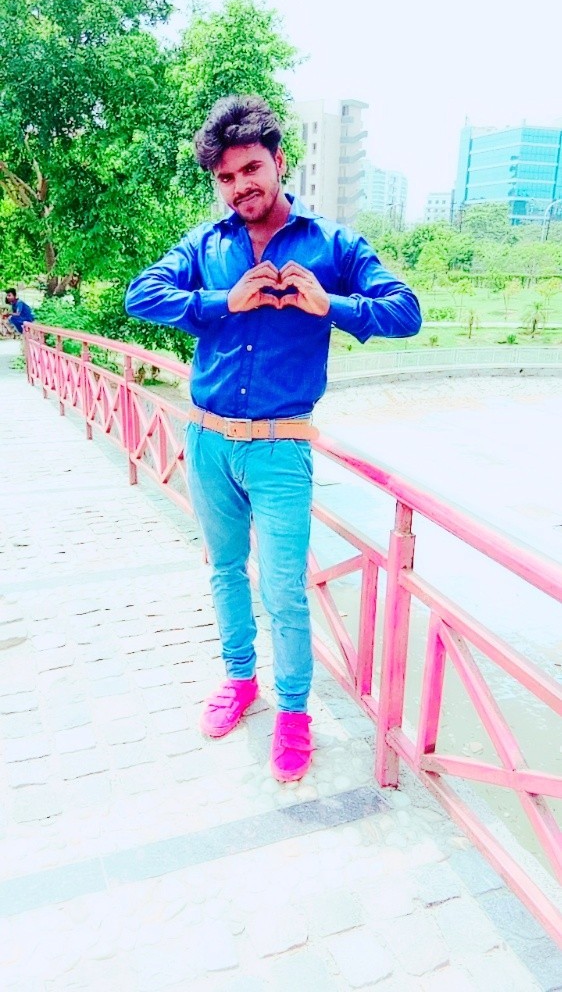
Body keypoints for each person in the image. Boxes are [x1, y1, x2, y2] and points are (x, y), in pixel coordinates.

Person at [125, 94, 422, 783]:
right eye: (225, 178)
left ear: (279, 161)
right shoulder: (206, 246)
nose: (239, 187)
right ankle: (239, 679)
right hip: (208, 441)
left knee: (284, 588)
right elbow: (141, 295)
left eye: (250, 170)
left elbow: (405, 311)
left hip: (281, 448)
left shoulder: (334, 246)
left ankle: (293, 712)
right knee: (225, 569)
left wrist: (332, 304)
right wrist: (220, 301)